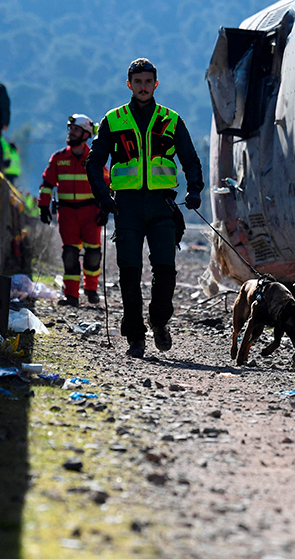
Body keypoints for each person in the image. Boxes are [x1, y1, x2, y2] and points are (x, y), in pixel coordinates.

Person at [85, 58, 203, 358]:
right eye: (137, 82)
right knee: (129, 274)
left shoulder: (171, 119)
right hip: (126, 207)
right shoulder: (114, 119)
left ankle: (159, 320)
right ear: (129, 84)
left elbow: (189, 159)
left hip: (163, 205)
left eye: (148, 81)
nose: (142, 87)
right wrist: (102, 197)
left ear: (156, 84)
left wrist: (194, 190)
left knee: (166, 271)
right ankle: (135, 337)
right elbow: (94, 161)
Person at [38, 115, 109, 307]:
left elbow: (107, 184)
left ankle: (91, 289)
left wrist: (106, 208)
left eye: (75, 130)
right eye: (70, 129)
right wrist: (43, 205)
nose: (71, 132)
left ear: (86, 134)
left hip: (90, 213)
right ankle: (71, 295)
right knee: (69, 255)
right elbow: (47, 184)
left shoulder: (95, 158)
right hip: (67, 214)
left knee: (93, 254)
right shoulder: (58, 158)